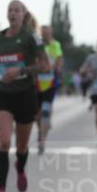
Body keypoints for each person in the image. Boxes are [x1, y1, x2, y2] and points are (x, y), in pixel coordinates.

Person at [0, 2, 49, 192]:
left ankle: (20, 168)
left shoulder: (32, 37)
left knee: (21, 146)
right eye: (10, 10)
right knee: (4, 142)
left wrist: (20, 72)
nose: (12, 13)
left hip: (25, 95)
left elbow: (44, 65)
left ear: (23, 15)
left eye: (17, 10)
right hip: (3, 95)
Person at [35, 24, 63, 154]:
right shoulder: (38, 44)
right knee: (37, 115)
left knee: (45, 111)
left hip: (50, 82)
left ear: (51, 33)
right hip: (37, 83)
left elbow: (59, 59)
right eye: (43, 32)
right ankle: (41, 129)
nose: (45, 35)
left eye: (47, 33)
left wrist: (54, 68)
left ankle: (42, 140)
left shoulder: (55, 45)